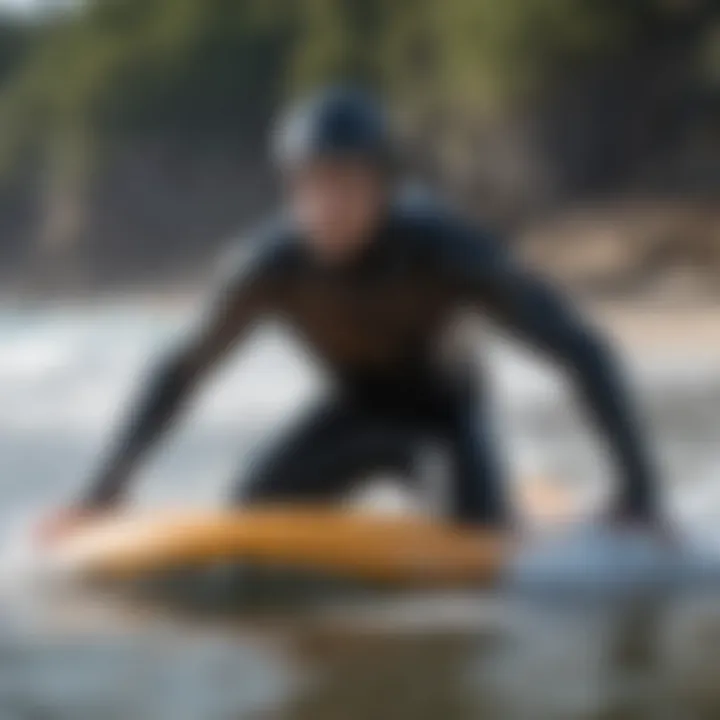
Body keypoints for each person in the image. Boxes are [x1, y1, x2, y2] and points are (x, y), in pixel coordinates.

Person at [43, 86, 660, 536]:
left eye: (348, 182)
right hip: (355, 411)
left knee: (473, 532)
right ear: (291, 188)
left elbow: (581, 349)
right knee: (252, 511)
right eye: (312, 183)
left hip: (445, 417)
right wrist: (105, 490)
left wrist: (640, 494)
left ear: (383, 185)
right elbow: (180, 370)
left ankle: (508, 496)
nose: (329, 203)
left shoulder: (447, 249)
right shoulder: (267, 266)